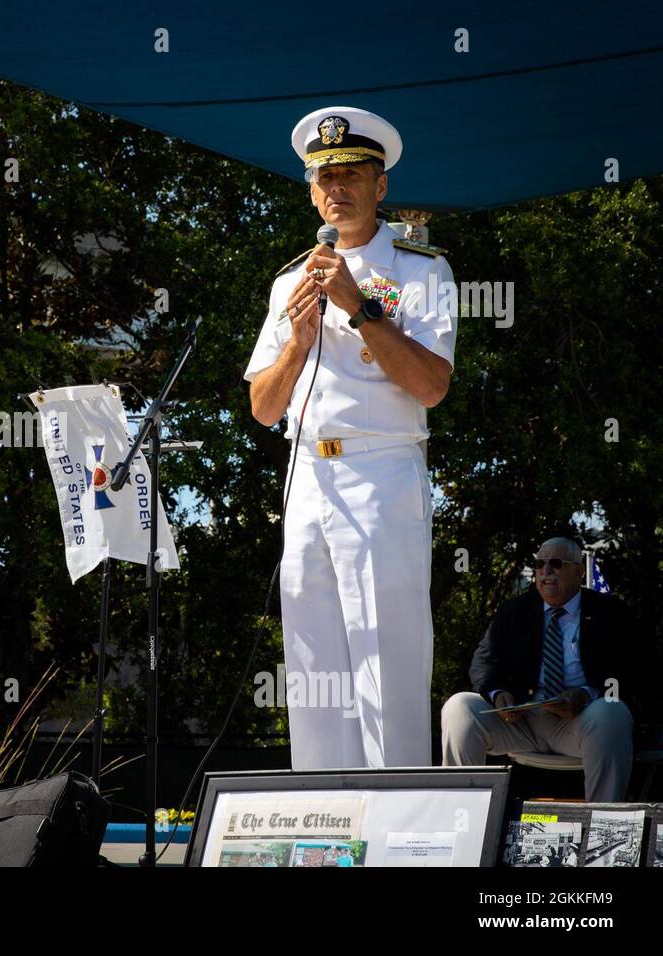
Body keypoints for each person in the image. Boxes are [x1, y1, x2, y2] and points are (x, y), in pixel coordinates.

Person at [244, 106, 457, 769]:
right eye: (325, 177)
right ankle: (322, 819)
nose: (338, 188)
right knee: (313, 668)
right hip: (308, 476)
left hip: (382, 474)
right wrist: (298, 344)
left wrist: (359, 309)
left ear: (380, 186)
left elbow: (430, 386)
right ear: (311, 190)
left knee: (385, 666)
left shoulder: (423, 271)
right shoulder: (288, 279)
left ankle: (400, 825)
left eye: (353, 174)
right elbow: (262, 407)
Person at [441, 536, 635, 801]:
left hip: (580, 722)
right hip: (521, 721)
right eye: (539, 564)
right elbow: (483, 662)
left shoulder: (610, 613)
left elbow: (637, 671)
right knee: (460, 706)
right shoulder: (515, 611)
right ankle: (463, 816)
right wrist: (498, 693)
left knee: (611, 710)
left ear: (579, 570)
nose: (546, 571)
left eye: (556, 563)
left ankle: (604, 825)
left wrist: (587, 695)